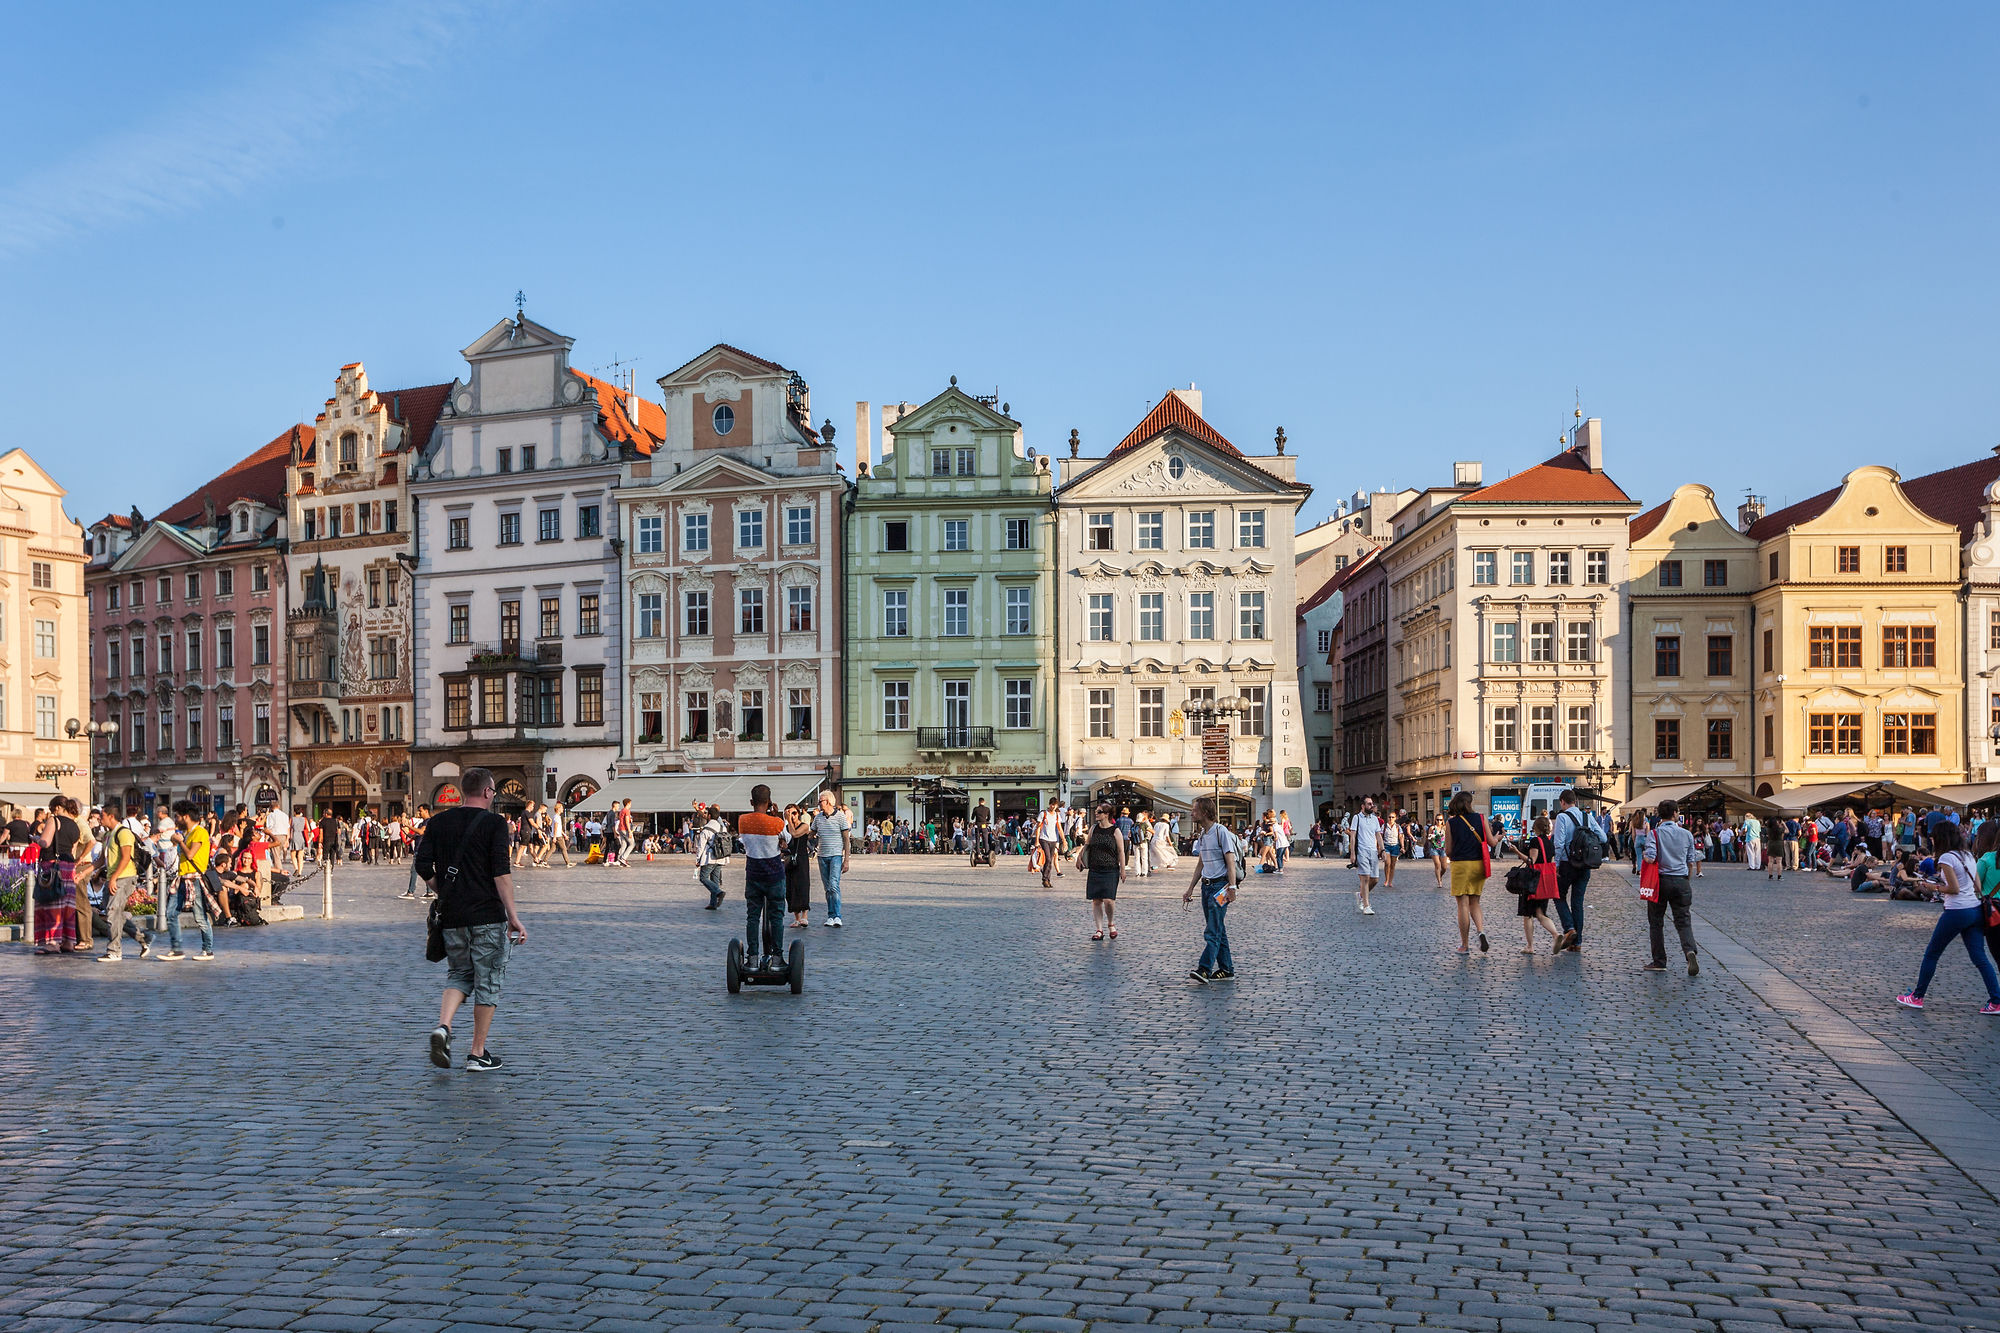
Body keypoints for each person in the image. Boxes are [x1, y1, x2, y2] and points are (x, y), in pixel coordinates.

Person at [420, 769, 526, 1073]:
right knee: (488, 982)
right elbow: (501, 874)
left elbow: (423, 864)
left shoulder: (438, 821)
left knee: (459, 974)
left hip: (453, 916)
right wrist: (513, 917)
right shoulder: (495, 824)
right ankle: (477, 1053)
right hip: (487, 916)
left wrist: (445, 890)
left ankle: (444, 1026)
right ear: (488, 792)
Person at [1896, 821, 2000, 1012]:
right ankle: (1996, 1001)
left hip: (1956, 911)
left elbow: (1953, 888)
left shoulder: (1946, 857)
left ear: (1941, 838)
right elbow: (1977, 886)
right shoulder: (1968, 855)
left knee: (1932, 953)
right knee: (1980, 958)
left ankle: (1917, 996)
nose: (1932, 840)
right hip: (1975, 910)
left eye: (1934, 837)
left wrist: (1932, 886)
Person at [1641, 799, 1702, 977]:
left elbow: (1651, 858)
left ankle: (1659, 961)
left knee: (1656, 921)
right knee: (1683, 920)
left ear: (1660, 814)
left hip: (1660, 882)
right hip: (1681, 880)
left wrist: (1644, 855)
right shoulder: (1686, 834)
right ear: (1675, 814)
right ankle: (1690, 951)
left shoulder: (1655, 833)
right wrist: (1686, 879)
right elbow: (1691, 860)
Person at [1182, 796, 1238, 982]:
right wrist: (1190, 888)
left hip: (1220, 887)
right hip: (1206, 887)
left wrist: (1232, 887)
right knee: (1218, 929)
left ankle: (1204, 969)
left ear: (1205, 812)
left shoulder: (1221, 832)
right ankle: (1226, 969)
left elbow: (1230, 862)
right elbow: (1201, 863)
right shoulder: (1203, 834)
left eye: (1195, 810)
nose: (1192, 813)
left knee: (1212, 930)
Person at [737, 786, 791, 968]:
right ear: (769, 802)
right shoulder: (776, 823)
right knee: (776, 917)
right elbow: (788, 838)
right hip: (774, 875)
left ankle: (752, 958)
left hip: (753, 874)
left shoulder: (742, 820)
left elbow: (742, 841)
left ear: (751, 802)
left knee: (752, 916)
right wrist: (776, 816)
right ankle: (777, 958)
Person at [160, 800, 216, 961]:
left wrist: (180, 841)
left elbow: (191, 854)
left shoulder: (200, 832)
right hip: (182, 878)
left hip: (195, 879)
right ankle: (177, 949)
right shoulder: (189, 833)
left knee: (200, 917)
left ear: (185, 816)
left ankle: (208, 949)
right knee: (170, 913)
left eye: (177, 816)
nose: (175, 820)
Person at [95, 807, 152, 961]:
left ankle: (114, 951)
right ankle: (143, 938)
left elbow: (126, 858)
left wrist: (114, 878)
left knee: (113, 912)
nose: (100, 818)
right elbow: (101, 859)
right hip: (112, 877)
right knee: (114, 914)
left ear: (111, 816)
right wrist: (85, 871)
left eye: (103, 815)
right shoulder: (107, 835)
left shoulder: (124, 833)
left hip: (124, 877)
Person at [1445, 791, 1496, 955]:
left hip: (1461, 865)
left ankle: (1465, 945)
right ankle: (1481, 931)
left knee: (1462, 904)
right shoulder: (1481, 818)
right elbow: (1492, 842)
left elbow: (1448, 850)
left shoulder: (1451, 823)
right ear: (1470, 803)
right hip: (1478, 865)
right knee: (1475, 902)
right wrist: (1500, 836)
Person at [1549, 789, 1597, 953]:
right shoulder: (1587, 817)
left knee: (1558, 895)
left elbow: (1560, 843)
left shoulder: (1562, 816)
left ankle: (1569, 928)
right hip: (1584, 865)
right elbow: (1602, 837)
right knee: (1578, 903)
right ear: (1575, 801)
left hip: (1567, 864)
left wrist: (1556, 865)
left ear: (1562, 802)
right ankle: (1577, 943)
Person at [1514, 815, 1565, 954]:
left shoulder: (1535, 841)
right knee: (1541, 913)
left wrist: (1517, 852)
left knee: (1528, 915)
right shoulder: (1549, 842)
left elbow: (1532, 861)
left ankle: (1530, 946)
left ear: (1536, 828)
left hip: (1533, 882)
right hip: (1545, 882)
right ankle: (1555, 934)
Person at [1080, 801, 1126, 940]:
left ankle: (1111, 923)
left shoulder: (1115, 831)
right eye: (1096, 811)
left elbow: (1121, 851)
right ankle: (1099, 930)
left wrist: (1123, 870)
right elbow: (1087, 845)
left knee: (1109, 900)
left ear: (1106, 814)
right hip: (1095, 868)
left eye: (1099, 812)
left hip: (1111, 869)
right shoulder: (1094, 829)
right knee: (1096, 900)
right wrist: (1079, 857)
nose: (1096, 813)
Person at [811, 790, 851, 926]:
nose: (818, 804)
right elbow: (811, 834)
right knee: (827, 887)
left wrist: (846, 859)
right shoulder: (818, 818)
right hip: (822, 856)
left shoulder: (840, 817)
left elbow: (846, 839)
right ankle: (830, 915)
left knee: (833, 885)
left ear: (828, 801)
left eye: (820, 801)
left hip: (835, 855)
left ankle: (837, 916)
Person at [783, 804, 814, 929]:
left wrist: (789, 820)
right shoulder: (786, 827)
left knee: (803, 885)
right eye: (790, 813)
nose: (792, 816)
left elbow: (795, 834)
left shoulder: (805, 826)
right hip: (790, 859)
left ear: (799, 814)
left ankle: (804, 916)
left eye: (794, 813)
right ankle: (796, 918)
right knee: (790, 887)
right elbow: (785, 841)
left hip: (801, 858)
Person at [1352, 797, 1383, 915]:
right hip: (1362, 851)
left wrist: (1382, 850)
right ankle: (1366, 905)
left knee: (1375, 879)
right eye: (1369, 804)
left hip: (1373, 851)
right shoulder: (1357, 818)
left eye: (1372, 804)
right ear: (1363, 806)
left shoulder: (1375, 819)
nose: (1372, 805)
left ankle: (1361, 895)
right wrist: (1353, 854)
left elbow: (1378, 835)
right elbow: (1353, 836)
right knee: (1365, 878)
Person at [695, 805, 730, 909]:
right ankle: (713, 904)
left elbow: (701, 846)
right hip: (721, 856)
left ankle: (719, 892)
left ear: (709, 816)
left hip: (709, 857)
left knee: (703, 877)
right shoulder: (722, 827)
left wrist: (698, 859)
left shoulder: (706, 829)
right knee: (715, 880)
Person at [1036, 802, 1062, 888]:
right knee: (1047, 858)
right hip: (1044, 839)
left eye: (1054, 805)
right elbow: (1038, 827)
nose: (1053, 806)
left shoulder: (1057, 815)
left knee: (1050, 860)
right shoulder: (1043, 814)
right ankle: (1045, 879)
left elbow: (1059, 828)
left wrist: (1064, 840)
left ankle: (1047, 879)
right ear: (1049, 804)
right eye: (1051, 804)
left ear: (1057, 806)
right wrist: (1037, 840)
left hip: (1053, 839)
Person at [1380, 809, 1402, 888]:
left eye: (1392, 817)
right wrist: (1379, 847)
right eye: (1389, 817)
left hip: (1395, 846)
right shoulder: (1384, 826)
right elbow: (1380, 836)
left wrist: (1402, 846)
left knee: (1393, 865)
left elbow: (1401, 836)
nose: (1391, 819)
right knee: (1387, 863)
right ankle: (1386, 880)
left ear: (1395, 818)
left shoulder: (1397, 826)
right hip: (1386, 846)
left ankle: (1390, 881)